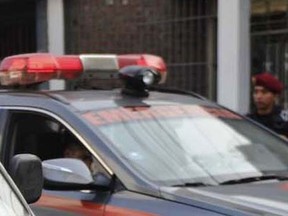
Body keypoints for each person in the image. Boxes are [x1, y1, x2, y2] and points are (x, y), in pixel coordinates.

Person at [247, 72, 288, 137]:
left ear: (275, 96)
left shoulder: (284, 119)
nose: (258, 96)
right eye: (256, 92)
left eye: (264, 92)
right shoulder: (247, 120)